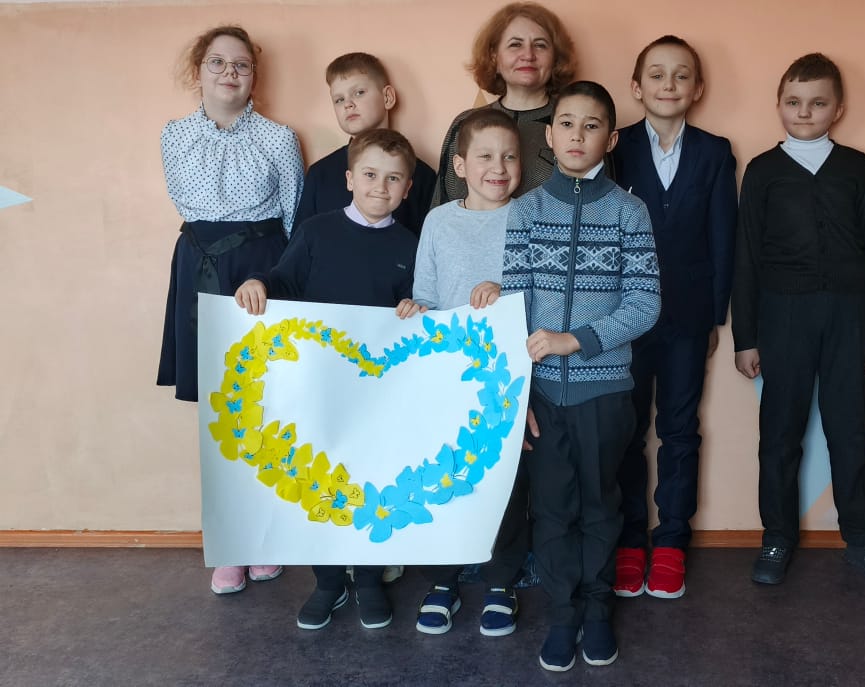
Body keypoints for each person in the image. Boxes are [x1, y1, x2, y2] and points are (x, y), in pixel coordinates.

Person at [731, 53, 865, 586]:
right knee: (779, 433)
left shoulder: (855, 166)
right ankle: (776, 538)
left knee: (848, 430)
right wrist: (745, 337)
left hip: (849, 319)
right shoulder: (763, 170)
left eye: (817, 103)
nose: (804, 112)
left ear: (838, 109)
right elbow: (747, 257)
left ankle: (863, 539)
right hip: (782, 318)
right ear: (779, 105)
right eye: (794, 102)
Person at [503, 81, 660, 672]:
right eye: (566, 123)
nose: (577, 135)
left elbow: (645, 303)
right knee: (551, 510)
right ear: (549, 135)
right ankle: (563, 615)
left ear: (610, 139)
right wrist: (518, 392)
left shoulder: (629, 212)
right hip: (542, 394)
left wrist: (577, 340)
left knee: (599, 504)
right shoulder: (525, 212)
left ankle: (597, 611)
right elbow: (513, 306)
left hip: (606, 391)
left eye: (591, 125)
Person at [235, 128, 419, 628]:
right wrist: (257, 282)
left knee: (374, 479)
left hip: (378, 393)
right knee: (323, 480)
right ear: (350, 179)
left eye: (394, 179)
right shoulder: (316, 232)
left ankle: (369, 580)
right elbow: (284, 280)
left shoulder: (410, 244)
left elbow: (415, 306)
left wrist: (415, 308)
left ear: (407, 189)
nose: (381, 187)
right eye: (371, 174)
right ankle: (328, 582)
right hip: (318, 384)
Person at [157, 24, 302, 595]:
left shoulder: (279, 138)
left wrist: (273, 277)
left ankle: (263, 538)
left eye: (241, 64)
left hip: (261, 271)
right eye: (217, 62)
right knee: (220, 414)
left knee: (264, 406)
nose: (229, 72)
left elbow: (291, 217)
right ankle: (229, 544)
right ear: (199, 71)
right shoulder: (174, 135)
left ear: (254, 77)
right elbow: (193, 207)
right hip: (200, 269)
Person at [612, 35, 738, 600]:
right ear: (636, 87)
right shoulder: (616, 147)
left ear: (698, 88)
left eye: (681, 75)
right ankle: (630, 539)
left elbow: (723, 237)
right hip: (623, 318)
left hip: (688, 318)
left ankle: (671, 542)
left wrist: (714, 316)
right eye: (657, 75)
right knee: (627, 430)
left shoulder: (715, 151)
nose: (669, 84)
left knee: (680, 429)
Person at [395, 109, 528, 637]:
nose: (499, 167)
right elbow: (426, 293)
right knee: (446, 474)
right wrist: (415, 309)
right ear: (459, 165)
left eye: (510, 156)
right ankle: (443, 580)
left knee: (506, 480)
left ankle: (501, 583)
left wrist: (504, 292)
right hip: (447, 377)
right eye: (485, 156)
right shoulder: (438, 221)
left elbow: (542, 297)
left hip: (508, 374)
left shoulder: (530, 218)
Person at [432, 1, 576, 206]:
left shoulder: (576, 125)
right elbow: (441, 207)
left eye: (540, 45)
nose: (528, 55)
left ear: (555, 58)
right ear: (494, 57)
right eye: (515, 44)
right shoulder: (465, 124)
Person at [293, 52, 434, 238]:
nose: (348, 104)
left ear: (387, 97)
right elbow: (301, 243)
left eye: (359, 93)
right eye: (339, 99)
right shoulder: (320, 174)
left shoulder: (422, 176)